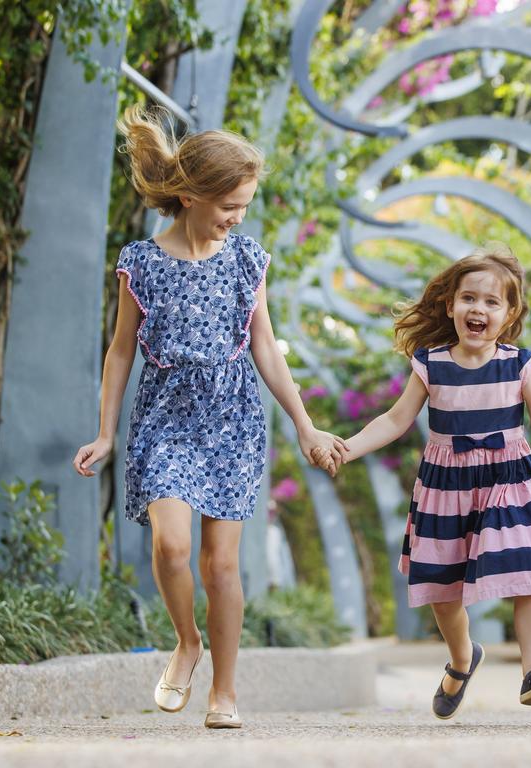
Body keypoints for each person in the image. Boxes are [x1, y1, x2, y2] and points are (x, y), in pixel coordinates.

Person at [72, 105, 345, 729]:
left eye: (245, 206)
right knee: (170, 547)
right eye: (231, 205)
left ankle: (224, 690)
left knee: (221, 564)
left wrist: (304, 425)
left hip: (233, 416)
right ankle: (186, 641)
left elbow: (266, 347)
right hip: (165, 412)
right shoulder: (139, 262)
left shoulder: (247, 259)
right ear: (191, 195)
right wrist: (107, 432)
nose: (237, 217)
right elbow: (119, 350)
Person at [340, 242, 531, 719]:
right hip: (445, 486)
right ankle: (461, 658)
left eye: (493, 302)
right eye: (469, 298)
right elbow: (394, 421)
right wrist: (348, 448)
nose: (479, 308)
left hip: (509, 480)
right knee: (443, 589)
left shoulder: (520, 364)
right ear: (450, 306)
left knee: (527, 571)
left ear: (509, 314)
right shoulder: (430, 363)